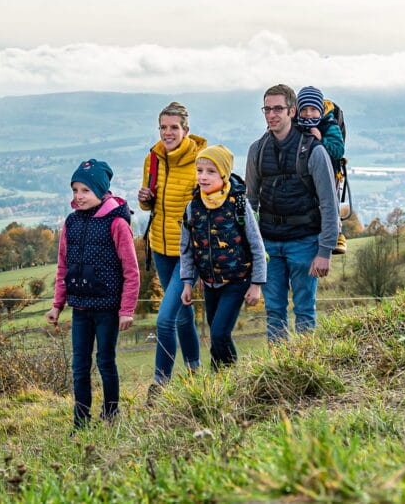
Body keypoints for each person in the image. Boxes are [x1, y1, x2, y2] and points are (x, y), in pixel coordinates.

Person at [46, 158, 138, 431]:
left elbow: (131, 270)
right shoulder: (71, 223)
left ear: (100, 191)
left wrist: (126, 309)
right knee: (79, 366)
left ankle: (110, 415)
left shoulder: (117, 223)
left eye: (85, 190)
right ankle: (81, 420)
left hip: (108, 308)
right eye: (75, 190)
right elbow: (64, 265)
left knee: (105, 362)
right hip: (80, 308)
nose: (78, 196)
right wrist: (57, 305)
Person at [245, 84, 339, 342]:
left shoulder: (314, 150)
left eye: (278, 109)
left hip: (305, 242)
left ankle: (306, 368)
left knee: (305, 311)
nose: (272, 114)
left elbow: (329, 203)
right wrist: (249, 247)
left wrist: (325, 251)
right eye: (267, 109)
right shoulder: (257, 150)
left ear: (292, 111)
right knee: (274, 312)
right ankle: (279, 371)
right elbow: (250, 202)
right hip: (269, 245)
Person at [137, 102, 206, 402]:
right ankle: (195, 374)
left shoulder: (200, 160)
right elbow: (148, 203)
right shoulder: (152, 159)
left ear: (186, 130)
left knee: (165, 319)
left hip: (188, 253)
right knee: (182, 316)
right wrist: (145, 199)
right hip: (160, 247)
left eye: (173, 127)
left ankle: (159, 384)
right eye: (163, 127)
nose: (167, 133)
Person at [179, 145, 267, 369]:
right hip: (210, 283)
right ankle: (219, 380)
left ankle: (232, 377)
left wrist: (256, 284)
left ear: (224, 175)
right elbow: (187, 248)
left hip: (237, 280)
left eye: (210, 171)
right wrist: (187, 282)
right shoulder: (193, 207)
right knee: (215, 333)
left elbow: (256, 244)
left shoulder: (237, 204)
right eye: (199, 170)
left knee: (219, 333)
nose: (203, 177)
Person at [296, 85, 347, 255]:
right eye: (304, 109)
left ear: (320, 110)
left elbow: (338, 150)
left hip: (330, 171)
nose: (308, 114)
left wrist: (321, 140)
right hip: (304, 171)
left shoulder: (329, 124)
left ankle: (336, 234)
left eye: (313, 109)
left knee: (330, 200)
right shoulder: (295, 124)